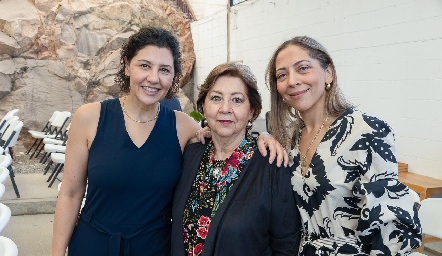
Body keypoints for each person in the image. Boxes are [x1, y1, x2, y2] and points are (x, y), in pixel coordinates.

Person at [51, 27, 287, 256]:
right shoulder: (90, 118)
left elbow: (224, 134)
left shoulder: (183, 126)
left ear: (173, 76)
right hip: (94, 243)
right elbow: (70, 194)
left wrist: (262, 137)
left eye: (164, 70)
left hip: (154, 247)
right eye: (144, 65)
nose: (153, 78)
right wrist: (57, 252)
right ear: (126, 66)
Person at [265, 36, 422, 255]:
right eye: (282, 75)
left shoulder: (366, 131)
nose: (292, 81)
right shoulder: (289, 140)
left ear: (328, 72)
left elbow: (389, 225)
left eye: (303, 68)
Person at [172, 62, 301, 255]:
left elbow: (286, 244)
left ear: (251, 111)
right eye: (216, 98)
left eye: (237, 100)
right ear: (203, 107)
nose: (225, 108)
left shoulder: (271, 164)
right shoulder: (191, 154)